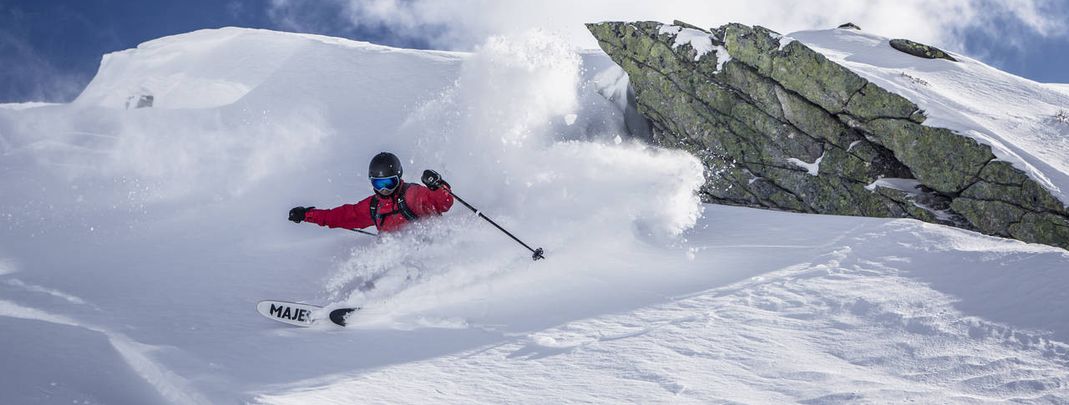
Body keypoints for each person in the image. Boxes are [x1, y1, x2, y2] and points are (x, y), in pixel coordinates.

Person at [288, 152, 453, 233]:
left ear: (399, 177)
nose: (384, 189)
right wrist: (307, 215)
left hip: (429, 247)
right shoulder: (374, 207)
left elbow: (443, 203)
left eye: (389, 182)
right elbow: (341, 216)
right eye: (378, 183)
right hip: (398, 259)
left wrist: (437, 185)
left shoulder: (412, 195)